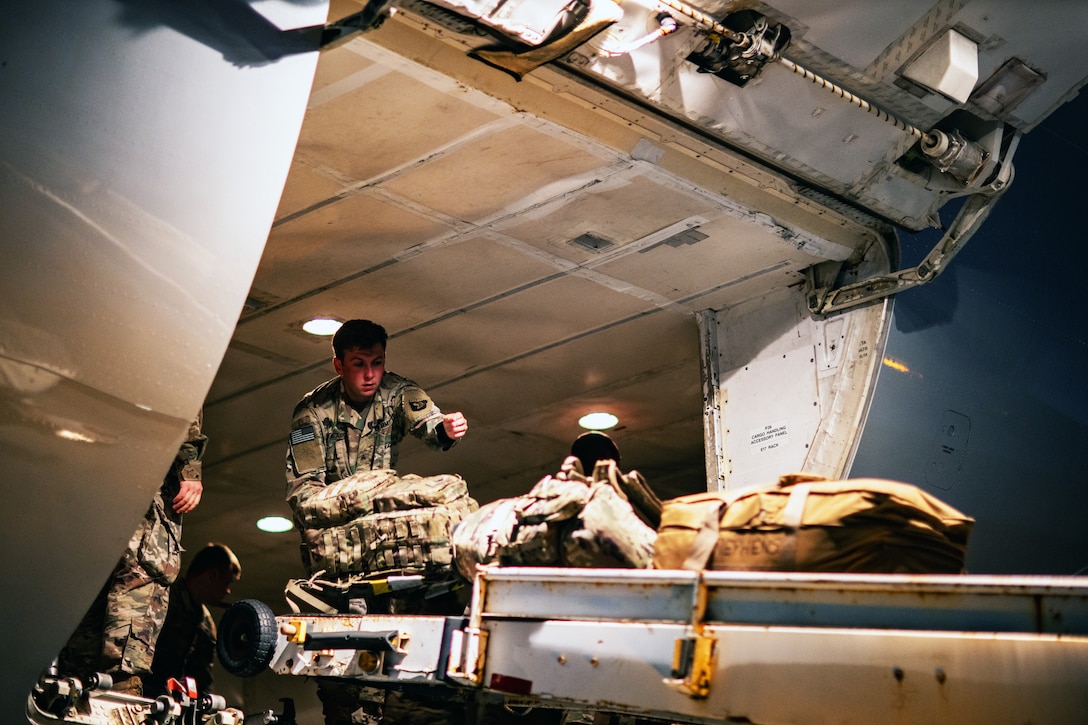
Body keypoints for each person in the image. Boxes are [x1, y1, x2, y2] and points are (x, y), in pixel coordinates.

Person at [285, 319, 468, 725]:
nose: (369, 374)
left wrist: (448, 429)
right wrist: (360, 498)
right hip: (337, 557)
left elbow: (431, 424)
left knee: (390, 666)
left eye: (377, 363)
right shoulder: (311, 414)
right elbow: (304, 496)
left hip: (385, 549)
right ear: (338, 365)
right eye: (358, 364)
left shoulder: (397, 393)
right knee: (343, 683)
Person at [58, 412, 207, 696]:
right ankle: (121, 687)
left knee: (90, 583)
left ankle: (78, 685)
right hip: (145, 483)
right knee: (141, 574)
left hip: (91, 479)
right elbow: (183, 403)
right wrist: (190, 470)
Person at [144, 542, 242, 698]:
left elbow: (202, 681)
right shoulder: (160, 599)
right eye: (227, 583)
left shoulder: (206, 624)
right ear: (213, 575)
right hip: (139, 693)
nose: (228, 591)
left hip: (169, 703)